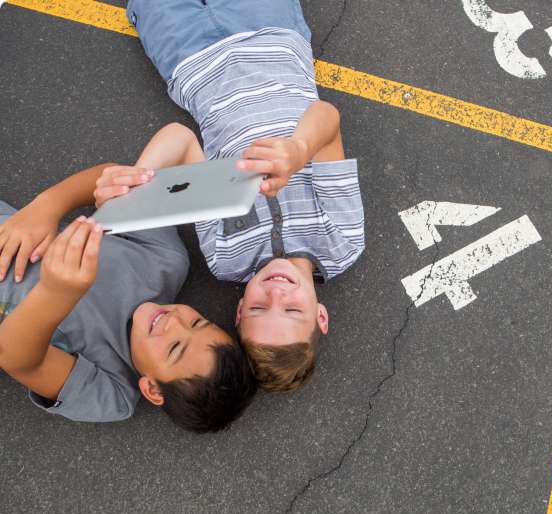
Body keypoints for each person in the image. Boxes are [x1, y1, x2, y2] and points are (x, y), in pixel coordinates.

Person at [102, 0, 365, 392]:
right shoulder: (341, 242)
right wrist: (298, 149)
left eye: (260, 308)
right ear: (320, 316)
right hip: (272, 34)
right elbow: (327, 118)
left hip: (189, 59)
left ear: (240, 311)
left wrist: (136, 184)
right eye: (293, 309)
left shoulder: (227, 256)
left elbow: (182, 141)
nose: (276, 292)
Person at [0, 154, 257, 432]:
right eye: (198, 322)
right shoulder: (164, 261)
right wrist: (47, 206)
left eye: (174, 348)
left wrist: (56, 293)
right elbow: (121, 179)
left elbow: (17, 359)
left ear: (153, 390)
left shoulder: (113, 393)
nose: (175, 322)